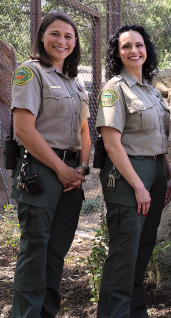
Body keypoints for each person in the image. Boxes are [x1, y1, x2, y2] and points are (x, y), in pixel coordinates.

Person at [10, 11, 90, 318]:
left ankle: (46, 313)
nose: (62, 41)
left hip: (72, 175)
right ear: (42, 37)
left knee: (56, 251)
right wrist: (60, 168)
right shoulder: (30, 73)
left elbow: (84, 130)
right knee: (36, 250)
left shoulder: (75, 82)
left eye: (69, 36)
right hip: (42, 172)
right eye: (55, 34)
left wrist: (80, 168)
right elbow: (24, 130)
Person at [95, 24, 171, 318]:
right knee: (125, 251)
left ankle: (135, 311)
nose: (134, 51)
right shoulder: (115, 89)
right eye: (126, 46)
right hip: (129, 174)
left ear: (147, 49)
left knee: (144, 245)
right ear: (118, 53)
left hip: (155, 171)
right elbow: (112, 144)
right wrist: (139, 187)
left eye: (139, 45)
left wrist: (167, 174)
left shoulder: (152, 91)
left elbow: (159, 138)